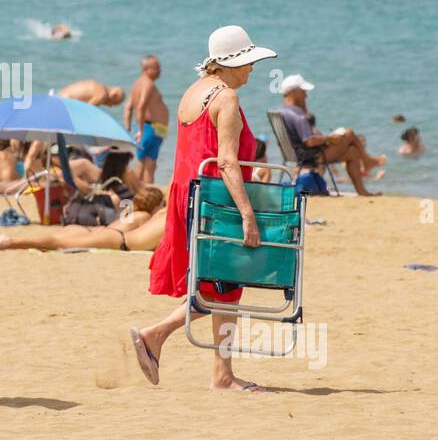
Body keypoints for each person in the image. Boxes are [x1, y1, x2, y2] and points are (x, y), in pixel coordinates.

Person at [131, 25, 278, 393]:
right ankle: (159, 337)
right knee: (222, 286)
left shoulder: (192, 92)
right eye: (248, 62)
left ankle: (219, 373)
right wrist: (247, 213)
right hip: (215, 198)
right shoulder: (226, 98)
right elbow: (227, 162)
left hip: (188, 194)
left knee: (220, 286)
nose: (252, 70)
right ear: (232, 63)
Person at [277, 74, 385, 196]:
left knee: (353, 152)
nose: (306, 95)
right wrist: (330, 138)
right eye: (303, 92)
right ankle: (367, 160)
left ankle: (363, 190)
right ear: (293, 92)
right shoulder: (297, 115)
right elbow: (309, 141)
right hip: (312, 156)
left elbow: (302, 139)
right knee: (349, 133)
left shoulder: (282, 111)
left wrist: (303, 108)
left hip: (297, 155)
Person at [0, 187, 167, 251]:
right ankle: (9, 242)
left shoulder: (132, 212)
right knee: (56, 243)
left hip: (96, 231)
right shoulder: (145, 216)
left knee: (55, 239)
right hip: (110, 237)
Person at [123, 55, 169, 185]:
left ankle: (142, 194)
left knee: (147, 164)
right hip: (152, 128)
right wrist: (141, 130)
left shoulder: (137, 84)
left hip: (153, 128)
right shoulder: (148, 84)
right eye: (156, 68)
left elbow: (128, 107)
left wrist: (128, 127)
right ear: (145, 69)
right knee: (147, 165)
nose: (160, 70)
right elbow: (141, 106)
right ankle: (143, 194)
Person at [59, 80, 124, 107]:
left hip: (59, 96)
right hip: (64, 102)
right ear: (114, 95)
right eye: (113, 103)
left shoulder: (97, 86)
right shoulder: (102, 95)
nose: (110, 106)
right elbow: (87, 111)